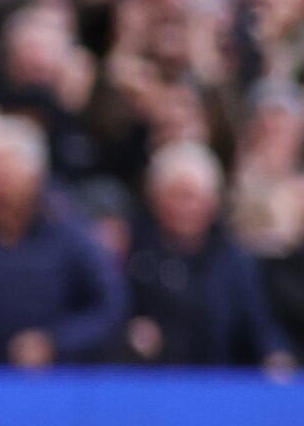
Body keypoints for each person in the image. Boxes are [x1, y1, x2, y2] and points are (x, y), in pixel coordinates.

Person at [0, 117, 124, 367]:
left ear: (34, 177)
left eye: (4, 178)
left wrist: (55, 342)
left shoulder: (70, 232)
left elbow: (109, 306)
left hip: (56, 373)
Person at [120, 143, 288, 372]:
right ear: (156, 200)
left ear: (212, 201)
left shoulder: (234, 261)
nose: (185, 208)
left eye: (192, 197)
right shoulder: (135, 254)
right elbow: (114, 314)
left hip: (220, 381)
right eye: (176, 196)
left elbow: (260, 326)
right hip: (153, 381)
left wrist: (276, 358)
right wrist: (131, 335)